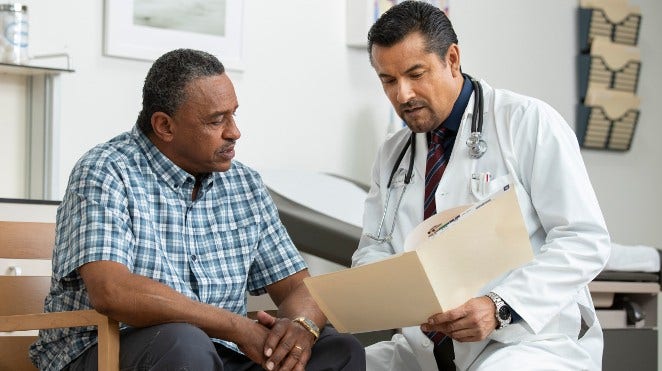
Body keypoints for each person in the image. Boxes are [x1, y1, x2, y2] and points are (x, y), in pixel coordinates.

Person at [30, 48, 365, 371]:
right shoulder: (106, 170)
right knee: (184, 343)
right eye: (217, 120)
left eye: (234, 114)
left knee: (339, 350)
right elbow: (112, 292)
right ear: (164, 126)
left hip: (217, 352)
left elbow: (295, 287)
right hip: (107, 348)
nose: (234, 132)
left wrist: (300, 328)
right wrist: (235, 326)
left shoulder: (244, 184)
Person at [351, 2, 610, 370]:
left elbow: (584, 239)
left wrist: (498, 306)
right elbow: (372, 249)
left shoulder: (526, 123)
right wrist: (389, 287)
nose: (403, 94)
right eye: (388, 81)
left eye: (415, 73)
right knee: (342, 364)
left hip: (530, 342)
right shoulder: (393, 154)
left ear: (452, 59)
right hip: (426, 350)